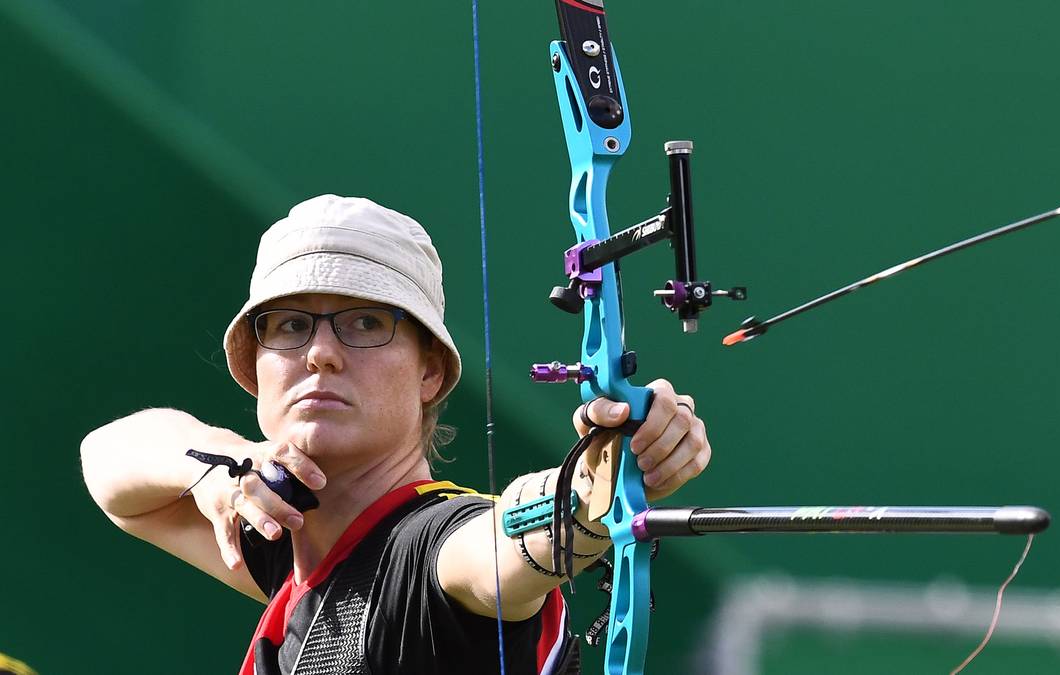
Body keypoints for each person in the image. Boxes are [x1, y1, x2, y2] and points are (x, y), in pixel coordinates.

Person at [80, 194, 712, 674]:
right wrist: (224, 466)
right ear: (256, 363)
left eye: (364, 322)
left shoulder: (430, 550)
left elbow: (510, 547)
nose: (321, 353)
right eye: (290, 326)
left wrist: (605, 476)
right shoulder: (293, 543)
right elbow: (107, 465)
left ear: (430, 371)